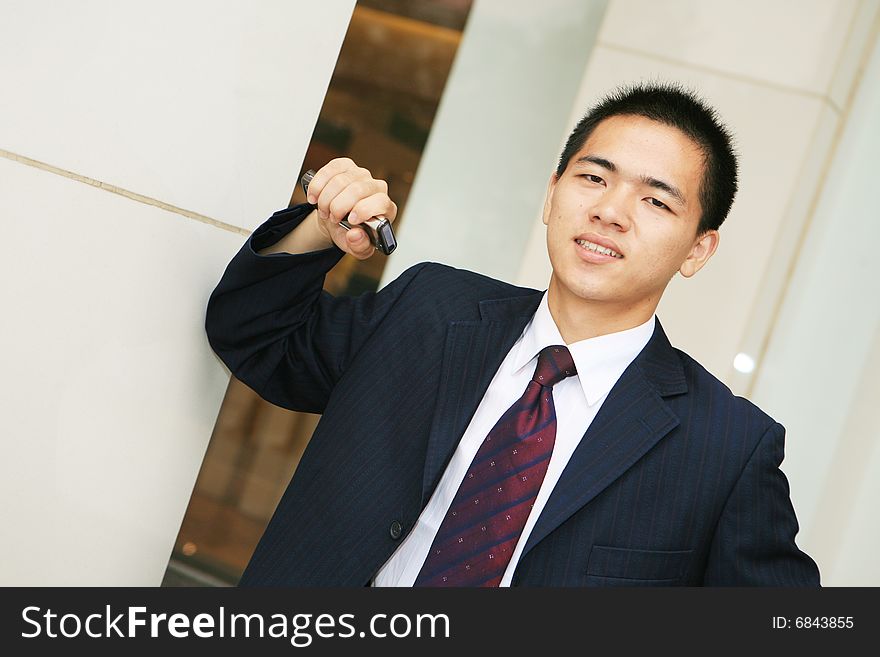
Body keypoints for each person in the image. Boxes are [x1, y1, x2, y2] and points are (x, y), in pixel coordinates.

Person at [205, 82, 821, 586]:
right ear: (552, 196)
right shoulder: (429, 310)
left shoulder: (726, 449)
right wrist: (321, 229)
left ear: (698, 248)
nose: (610, 211)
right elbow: (253, 336)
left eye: (657, 202)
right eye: (593, 178)